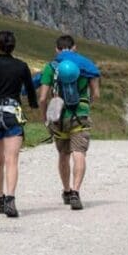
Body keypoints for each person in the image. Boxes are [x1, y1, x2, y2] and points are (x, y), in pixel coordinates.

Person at [0, 30, 38, 218]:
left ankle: (0, 198)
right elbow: (30, 91)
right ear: (14, 46)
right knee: (12, 160)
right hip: (13, 114)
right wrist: (35, 105)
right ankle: (11, 198)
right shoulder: (21, 66)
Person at [37, 34, 100, 210]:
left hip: (58, 117)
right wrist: (86, 106)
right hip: (80, 116)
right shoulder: (87, 66)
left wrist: (45, 118)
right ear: (74, 48)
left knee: (63, 154)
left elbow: (42, 98)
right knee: (79, 152)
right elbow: (96, 94)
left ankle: (65, 190)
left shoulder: (51, 67)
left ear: (56, 49)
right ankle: (75, 192)